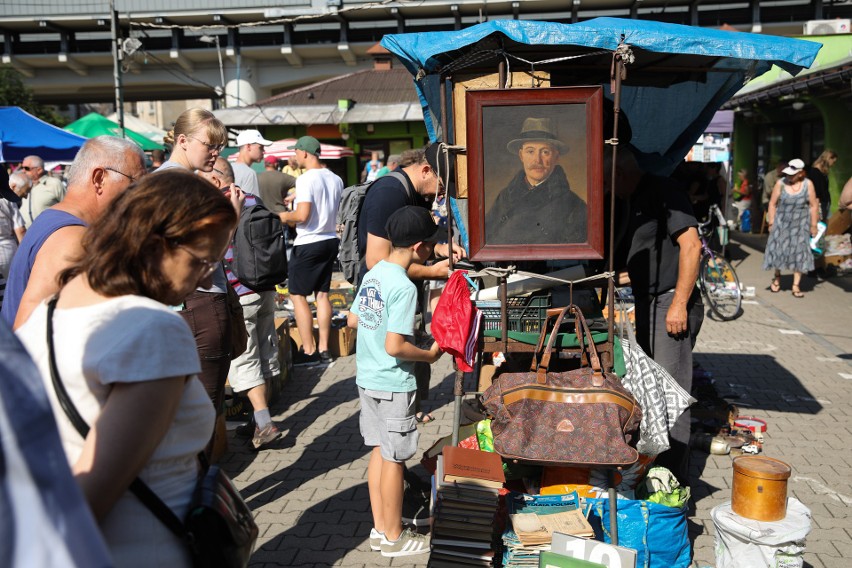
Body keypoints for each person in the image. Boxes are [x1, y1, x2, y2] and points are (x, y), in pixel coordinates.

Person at [15, 170, 238, 567]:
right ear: (156, 245)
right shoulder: (155, 328)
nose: (205, 276)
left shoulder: (50, 312)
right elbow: (91, 489)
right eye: (202, 261)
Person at [347, 206, 445, 558]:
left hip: (367, 377)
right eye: (432, 245)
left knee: (379, 451)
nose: (433, 251)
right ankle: (393, 536)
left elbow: (354, 319)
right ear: (420, 247)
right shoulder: (403, 286)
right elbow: (396, 345)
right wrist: (430, 354)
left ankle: (380, 529)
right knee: (395, 459)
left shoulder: (375, 273)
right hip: (393, 382)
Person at [612, 147, 703, 487]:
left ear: (620, 172)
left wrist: (679, 303)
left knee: (671, 394)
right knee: (652, 390)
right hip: (648, 301)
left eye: (608, 180)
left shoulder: (663, 190)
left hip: (670, 303)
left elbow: (691, 246)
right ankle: (654, 470)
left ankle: (672, 483)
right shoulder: (629, 199)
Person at [155, 109, 243, 456]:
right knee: (203, 408)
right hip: (198, 302)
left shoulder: (166, 179)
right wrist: (231, 219)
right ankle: (198, 495)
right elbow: (199, 256)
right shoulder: (180, 184)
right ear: (182, 141)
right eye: (210, 145)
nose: (215, 153)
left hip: (182, 305)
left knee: (193, 406)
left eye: (220, 147)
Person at [1, 136, 147, 329]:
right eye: (136, 183)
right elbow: (28, 329)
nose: (140, 194)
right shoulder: (71, 238)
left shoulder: (53, 219)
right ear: (99, 179)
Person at [279, 136, 343, 365]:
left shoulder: (305, 179)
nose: (294, 156)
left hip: (308, 242)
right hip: (329, 239)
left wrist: (283, 216)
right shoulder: (335, 179)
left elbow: (302, 216)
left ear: (305, 153)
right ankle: (325, 349)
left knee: (297, 296)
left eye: (296, 152)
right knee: (322, 295)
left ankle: (309, 351)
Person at [485, 117, 587, 245]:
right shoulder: (505, 197)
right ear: (521, 155)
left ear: (556, 157)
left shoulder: (575, 205)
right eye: (530, 151)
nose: (537, 160)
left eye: (545, 152)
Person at [763, 159, 819, 298]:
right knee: (779, 251)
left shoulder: (808, 184)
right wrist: (771, 222)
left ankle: (796, 285)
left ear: (801, 173)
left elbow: (813, 205)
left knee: (799, 252)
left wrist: (814, 225)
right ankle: (777, 278)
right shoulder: (780, 184)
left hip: (801, 224)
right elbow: (772, 203)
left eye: (792, 174)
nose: (789, 176)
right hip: (782, 223)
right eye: (788, 173)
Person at [19, 154, 66, 227]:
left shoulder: (54, 183)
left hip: (49, 233)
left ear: (39, 170)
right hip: (27, 235)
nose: (23, 171)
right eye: (22, 168)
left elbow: (67, 207)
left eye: (27, 168)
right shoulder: (23, 184)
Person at [232, 129, 272, 196]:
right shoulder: (249, 173)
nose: (264, 151)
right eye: (261, 147)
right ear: (248, 146)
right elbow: (251, 204)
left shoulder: (228, 168)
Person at [0, 183, 26, 281]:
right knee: (10, 287)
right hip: (6, 249)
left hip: (6, 246)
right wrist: (25, 256)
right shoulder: (6, 196)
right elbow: (20, 229)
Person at [808, 149, 838, 222]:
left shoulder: (823, 173)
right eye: (833, 162)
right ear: (829, 159)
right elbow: (816, 193)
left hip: (824, 202)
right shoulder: (815, 172)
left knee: (826, 223)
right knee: (821, 224)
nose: (833, 165)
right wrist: (817, 209)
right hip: (819, 203)